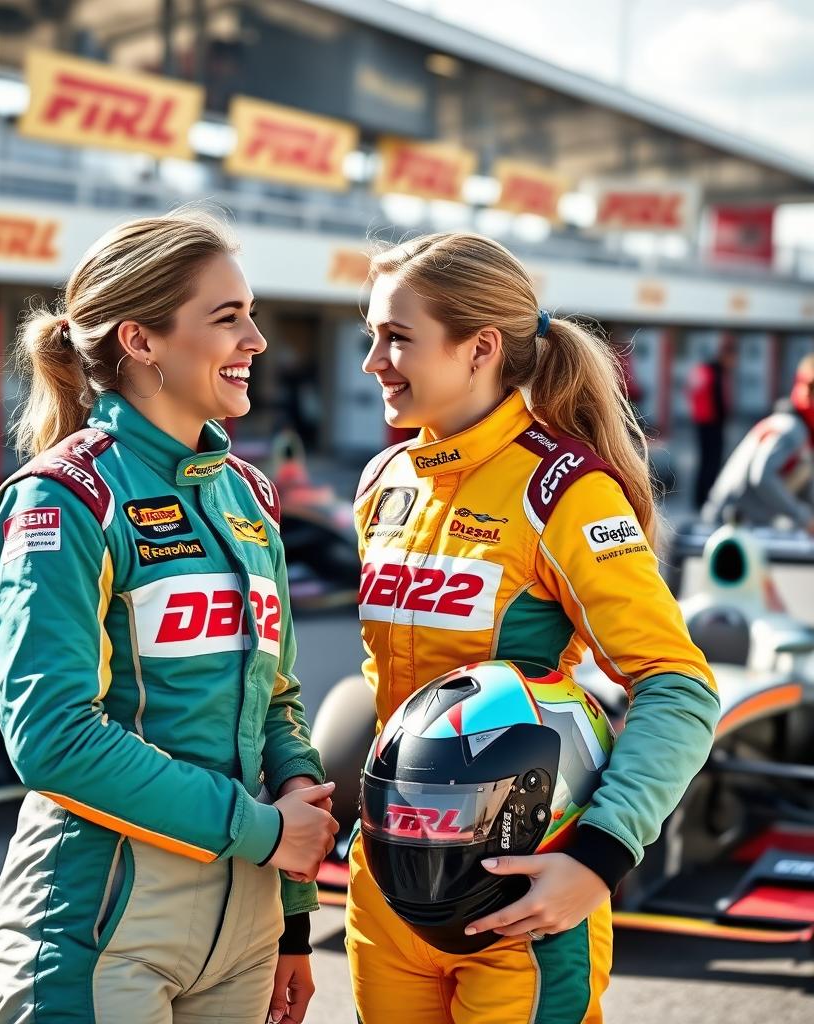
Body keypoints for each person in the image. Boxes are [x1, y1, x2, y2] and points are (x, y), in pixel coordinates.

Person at [0, 212, 337, 1024]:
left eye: (251, 312)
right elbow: (54, 736)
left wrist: (294, 921)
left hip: (246, 924)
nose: (257, 339)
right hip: (101, 923)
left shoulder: (249, 494)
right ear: (141, 340)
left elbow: (275, 699)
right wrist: (261, 832)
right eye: (227, 317)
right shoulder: (64, 499)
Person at [346, 231, 719, 1023]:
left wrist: (599, 857)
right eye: (371, 336)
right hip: (386, 886)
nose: (373, 361)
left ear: (480, 347)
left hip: (522, 891)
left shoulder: (561, 490)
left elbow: (680, 685)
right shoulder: (383, 481)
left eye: (397, 338)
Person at [701, 353, 814, 532]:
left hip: (733, 520)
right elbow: (762, 475)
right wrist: (803, 517)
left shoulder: (787, 424)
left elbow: (804, 485)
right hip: (730, 525)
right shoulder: (791, 428)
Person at [687, 337, 736, 509]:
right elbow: (719, 400)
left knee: (704, 462)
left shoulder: (704, 370)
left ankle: (699, 499)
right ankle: (707, 500)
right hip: (712, 424)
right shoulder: (716, 373)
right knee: (712, 463)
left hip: (702, 422)